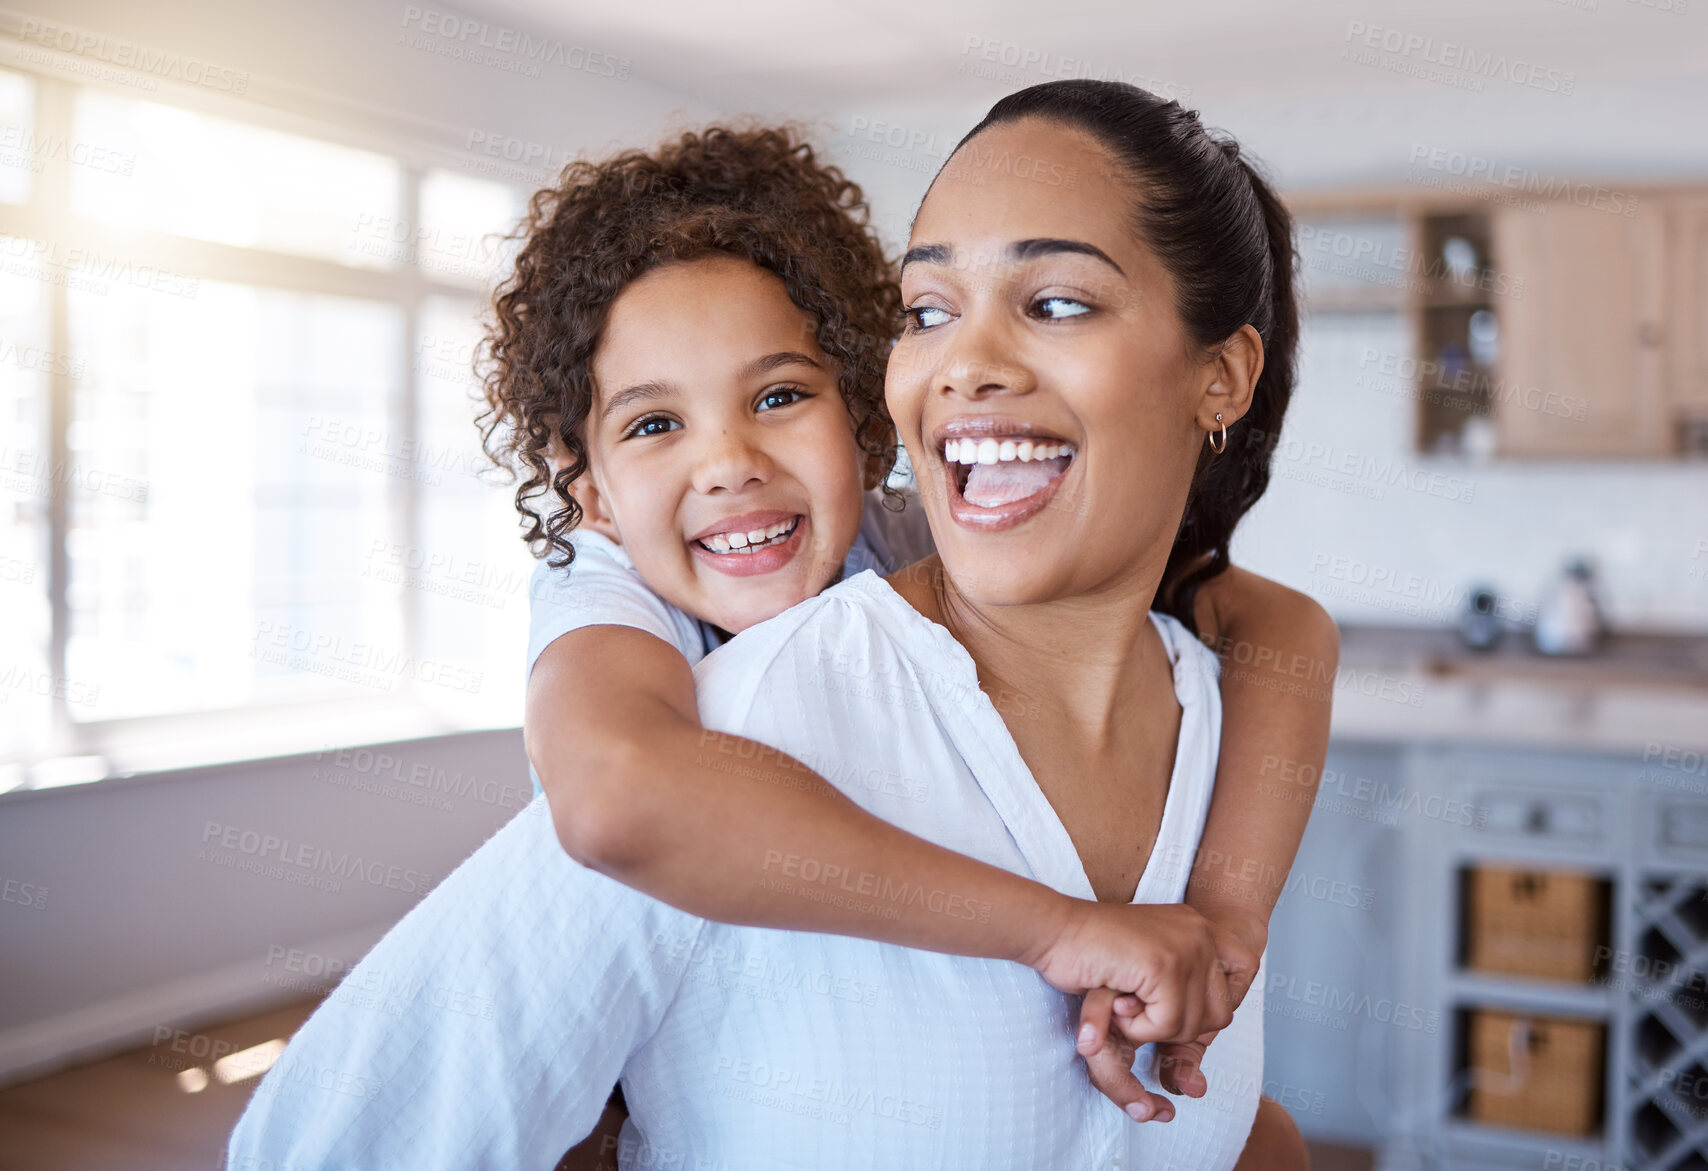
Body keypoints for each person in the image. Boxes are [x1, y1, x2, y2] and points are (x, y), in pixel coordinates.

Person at [228, 82, 1324, 1170]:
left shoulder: (955, 557)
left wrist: (1228, 929)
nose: (730, 467)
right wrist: (1052, 928)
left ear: (858, 421)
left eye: (1056, 301)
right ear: (592, 492)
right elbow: (617, 800)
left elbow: (1285, 628)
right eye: (929, 312)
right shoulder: (665, 660)